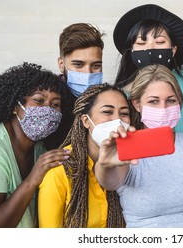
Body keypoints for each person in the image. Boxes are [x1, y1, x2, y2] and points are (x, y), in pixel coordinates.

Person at [95, 64, 183, 228]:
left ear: (180, 103)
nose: (163, 108)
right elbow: (109, 182)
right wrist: (104, 165)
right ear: (137, 104)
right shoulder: (126, 147)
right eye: (153, 101)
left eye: (171, 100)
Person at [0, 62, 72, 228]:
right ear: (15, 107)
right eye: (39, 101)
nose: (48, 110)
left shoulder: (39, 149)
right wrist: (31, 180)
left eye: (55, 104)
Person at [113, 4, 183, 135]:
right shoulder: (121, 95)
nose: (151, 49)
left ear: (173, 49)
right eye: (141, 43)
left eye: (160, 42)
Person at [38, 84, 128, 228]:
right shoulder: (59, 171)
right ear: (86, 121)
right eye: (107, 112)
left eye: (124, 114)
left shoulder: (129, 165)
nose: (118, 121)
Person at [44, 23, 105, 150]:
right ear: (61, 64)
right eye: (78, 65)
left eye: (96, 65)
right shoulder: (47, 101)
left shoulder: (106, 99)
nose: (88, 72)